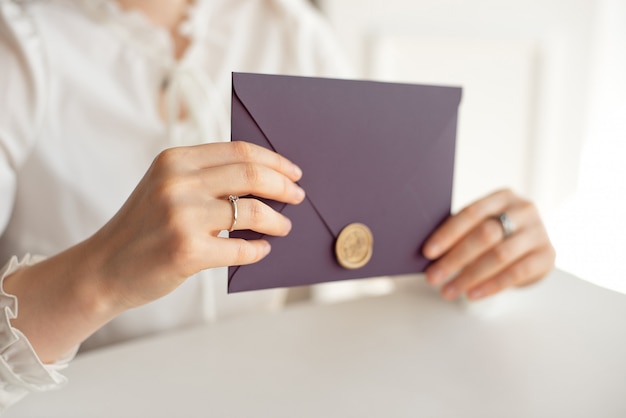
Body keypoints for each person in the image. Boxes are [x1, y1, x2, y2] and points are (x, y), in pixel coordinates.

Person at [0, 0, 556, 411]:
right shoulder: (19, 43)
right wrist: (102, 273)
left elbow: (369, 232)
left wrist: (486, 252)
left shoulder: (293, 30)